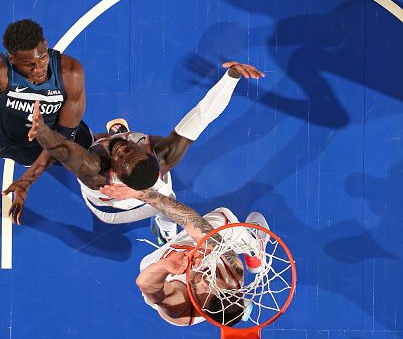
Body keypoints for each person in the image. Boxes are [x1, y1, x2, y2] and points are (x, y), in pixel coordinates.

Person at [26, 61, 265, 242]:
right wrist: (232, 76)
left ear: (116, 169)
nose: (121, 148)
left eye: (121, 154)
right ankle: (165, 225)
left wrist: (42, 130)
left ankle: (166, 233)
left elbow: (63, 150)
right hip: (130, 193)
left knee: (167, 204)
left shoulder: (95, 170)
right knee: (168, 198)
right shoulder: (164, 154)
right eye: (129, 148)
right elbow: (203, 115)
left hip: (111, 211)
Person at [0, 19, 93, 224]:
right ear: (12, 59)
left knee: (93, 164)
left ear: (45, 44)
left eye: (42, 58)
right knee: (37, 158)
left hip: (55, 134)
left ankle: (113, 136)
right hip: (15, 143)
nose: (38, 68)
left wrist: (27, 180)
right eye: (29, 65)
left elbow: (61, 140)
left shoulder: (70, 73)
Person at [99, 183, 270, 327]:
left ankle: (167, 235)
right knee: (223, 219)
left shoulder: (180, 308)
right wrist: (138, 193)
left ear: (201, 308)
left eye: (203, 292)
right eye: (213, 283)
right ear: (231, 289)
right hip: (192, 250)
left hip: (155, 268)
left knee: (183, 240)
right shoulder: (232, 270)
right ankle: (254, 250)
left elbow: (145, 284)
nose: (203, 281)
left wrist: (165, 266)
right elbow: (189, 220)